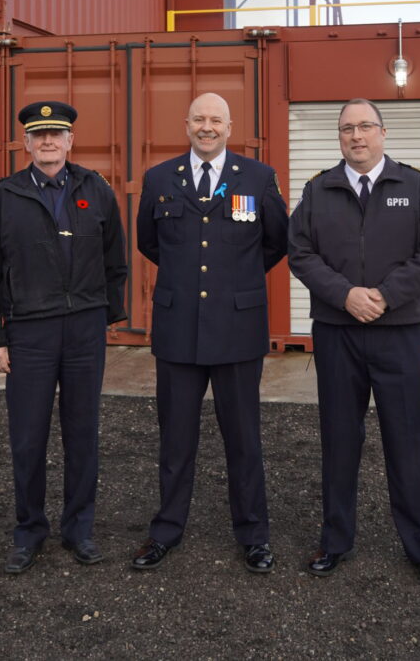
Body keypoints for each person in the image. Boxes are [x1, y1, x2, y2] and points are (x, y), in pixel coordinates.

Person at [288, 98, 420, 588]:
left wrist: (386, 295)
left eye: (365, 127)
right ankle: (335, 540)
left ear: (383, 132)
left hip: (400, 334)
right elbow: (300, 252)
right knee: (340, 440)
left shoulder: (415, 185)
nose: (356, 136)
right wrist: (345, 295)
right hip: (338, 334)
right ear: (339, 137)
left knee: (408, 441)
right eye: (346, 129)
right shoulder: (319, 189)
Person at [132, 92, 288, 573]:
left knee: (244, 439)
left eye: (215, 119)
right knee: (175, 439)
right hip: (179, 329)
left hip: (237, 329)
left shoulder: (258, 178)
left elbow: (276, 241)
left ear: (229, 125)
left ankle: (253, 534)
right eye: (198, 118)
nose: (207, 127)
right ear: (186, 124)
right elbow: (148, 241)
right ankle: (166, 531)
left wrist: (230, 283)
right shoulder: (159, 178)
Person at [0, 100, 127, 575]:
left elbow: (114, 259)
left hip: (83, 331)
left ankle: (78, 529)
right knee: (27, 437)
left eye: (56, 134)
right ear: (26, 143)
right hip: (28, 334)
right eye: (39, 135)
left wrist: (103, 316)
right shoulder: (5, 195)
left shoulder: (95, 188)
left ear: (70, 140)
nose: (48, 142)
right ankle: (29, 530)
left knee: (82, 434)